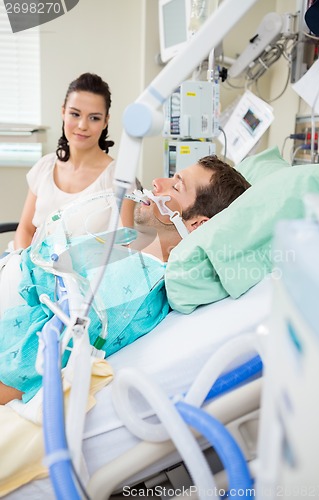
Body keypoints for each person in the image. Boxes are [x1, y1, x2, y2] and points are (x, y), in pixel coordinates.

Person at [0, 155, 250, 405]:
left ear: (196, 224)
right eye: (171, 176)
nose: (157, 183)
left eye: (176, 186)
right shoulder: (130, 242)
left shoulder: (135, 290)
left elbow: (33, 365)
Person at [13, 72, 133, 250]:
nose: (82, 125)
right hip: (31, 267)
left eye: (94, 118)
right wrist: (25, 269)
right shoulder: (45, 167)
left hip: (86, 275)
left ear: (106, 121)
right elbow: (25, 229)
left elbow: (127, 245)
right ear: (63, 112)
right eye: (75, 114)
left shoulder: (119, 178)